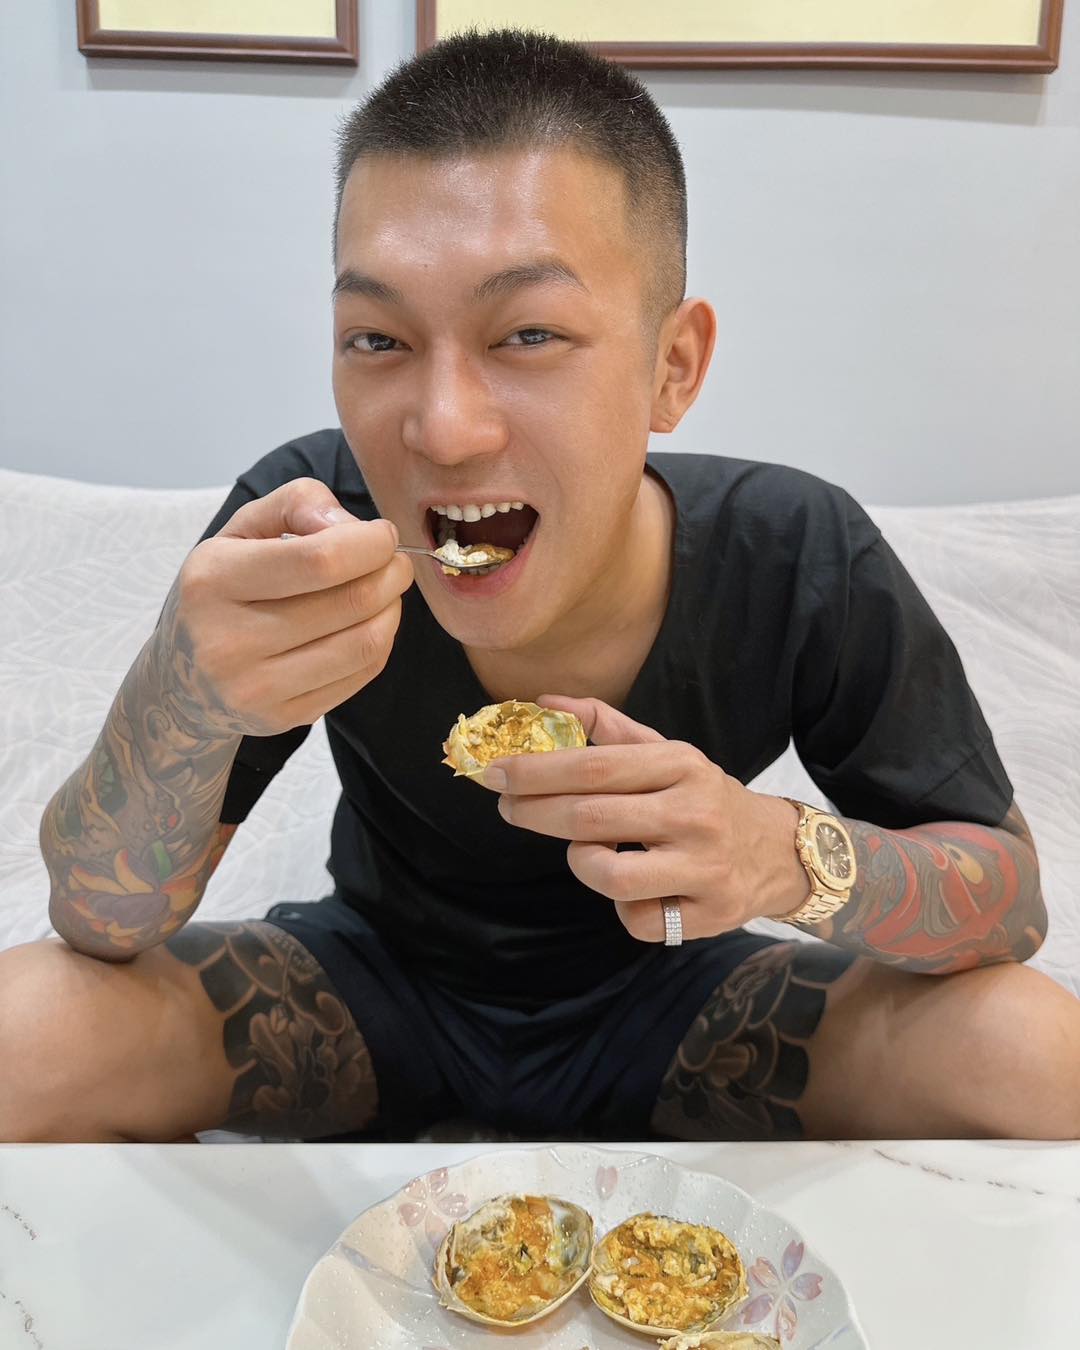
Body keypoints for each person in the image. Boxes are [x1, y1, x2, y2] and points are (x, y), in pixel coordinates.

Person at [5, 29, 1078, 1145]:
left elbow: (1011, 906)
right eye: (377, 339)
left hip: (687, 1001)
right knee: (25, 1031)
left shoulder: (796, 552)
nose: (444, 431)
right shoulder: (308, 528)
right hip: (366, 991)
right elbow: (98, 918)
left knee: (1032, 1055)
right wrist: (179, 696)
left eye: (527, 334)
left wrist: (779, 856)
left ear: (672, 368)